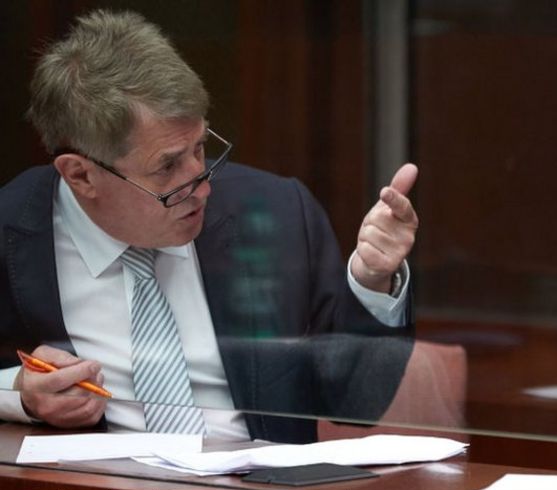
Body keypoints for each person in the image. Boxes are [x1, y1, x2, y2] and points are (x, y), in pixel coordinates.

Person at [0, 10, 419, 443]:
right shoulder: (12, 232)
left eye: (199, 148)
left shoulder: (277, 212)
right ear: (81, 175)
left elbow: (354, 405)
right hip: (97, 487)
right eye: (167, 167)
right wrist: (17, 394)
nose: (201, 187)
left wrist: (373, 280)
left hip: (260, 484)